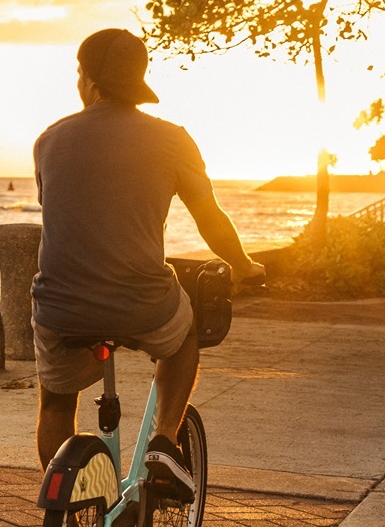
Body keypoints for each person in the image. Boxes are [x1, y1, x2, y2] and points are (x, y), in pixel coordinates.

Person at [31, 28, 265, 486]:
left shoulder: (49, 140)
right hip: (141, 303)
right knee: (183, 336)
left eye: (79, 74)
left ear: (90, 80)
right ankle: (164, 441)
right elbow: (210, 218)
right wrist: (243, 264)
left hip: (60, 307)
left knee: (56, 404)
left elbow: (64, 210)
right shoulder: (173, 140)